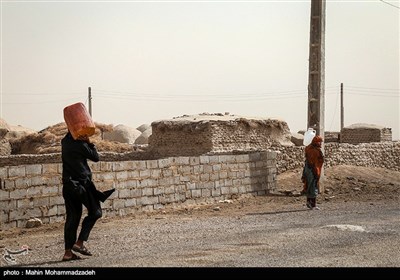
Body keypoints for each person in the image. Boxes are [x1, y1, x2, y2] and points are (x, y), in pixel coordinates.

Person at [61, 131, 114, 261]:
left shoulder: (65, 142)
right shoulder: (80, 144)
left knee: (72, 218)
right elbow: (96, 157)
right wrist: (89, 142)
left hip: (68, 186)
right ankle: (79, 243)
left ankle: (68, 253)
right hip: (81, 186)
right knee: (96, 212)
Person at [301, 135, 324, 210]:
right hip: (313, 170)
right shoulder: (315, 151)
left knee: (308, 185)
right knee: (313, 186)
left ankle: (308, 202)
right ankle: (313, 204)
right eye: (319, 142)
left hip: (307, 169)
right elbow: (315, 162)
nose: (320, 144)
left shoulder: (308, 148)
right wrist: (316, 172)